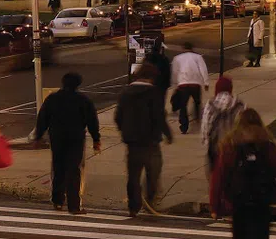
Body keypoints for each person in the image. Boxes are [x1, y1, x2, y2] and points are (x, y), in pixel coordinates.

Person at [210, 109, 276, 238]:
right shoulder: (267, 145)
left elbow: (218, 178)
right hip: (261, 205)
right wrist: (272, 194)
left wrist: (215, 207)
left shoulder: (230, 145)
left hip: (238, 205)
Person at [33, 72, 101, 214]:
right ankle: (73, 205)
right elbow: (92, 121)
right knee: (73, 170)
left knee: (58, 168)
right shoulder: (83, 100)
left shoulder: (53, 99)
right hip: (75, 138)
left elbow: (43, 118)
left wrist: (38, 136)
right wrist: (96, 139)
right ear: (78, 84)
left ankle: (57, 201)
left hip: (57, 137)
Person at [115, 62, 173, 217]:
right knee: (152, 173)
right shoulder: (154, 93)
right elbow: (158, 116)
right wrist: (167, 133)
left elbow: (118, 116)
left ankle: (133, 206)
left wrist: (124, 130)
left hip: (132, 142)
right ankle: (150, 201)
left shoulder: (125, 93)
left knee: (133, 175)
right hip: (150, 141)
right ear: (151, 77)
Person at [201, 76, 245, 173]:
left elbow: (206, 127)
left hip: (216, 149)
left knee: (215, 178)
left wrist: (206, 142)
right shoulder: (240, 105)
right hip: (234, 148)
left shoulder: (210, 104)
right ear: (230, 89)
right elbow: (244, 127)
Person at [171, 42, 210, 134]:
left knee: (183, 106)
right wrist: (206, 82)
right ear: (192, 48)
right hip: (195, 84)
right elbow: (203, 69)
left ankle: (184, 126)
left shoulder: (177, 58)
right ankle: (197, 119)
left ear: (183, 48)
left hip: (183, 84)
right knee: (197, 102)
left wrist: (174, 85)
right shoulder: (198, 57)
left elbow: (174, 72)